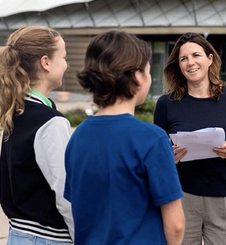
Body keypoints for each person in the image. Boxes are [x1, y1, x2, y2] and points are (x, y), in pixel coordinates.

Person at [64, 31, 185, 245]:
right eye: (148, 70)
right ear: (138, 77)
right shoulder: (152, 139)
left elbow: (79, 206)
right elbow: (175, 224)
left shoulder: (78, 137)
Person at [154, 32, 226, 245]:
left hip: (224, 198)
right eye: (183, 59)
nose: (190, 62)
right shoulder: (166, 103)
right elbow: (157, 155)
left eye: (196, 55)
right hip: (181, 197)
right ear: (178, 65)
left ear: (210, 58)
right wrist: (168, 158)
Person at [0, 26, 74, 243]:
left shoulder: (16, 109)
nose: (67, 64)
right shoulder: (49, 121)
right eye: (63, 57)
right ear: (45, 62)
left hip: (18, 234)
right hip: (47, 238)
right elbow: (67, 195)